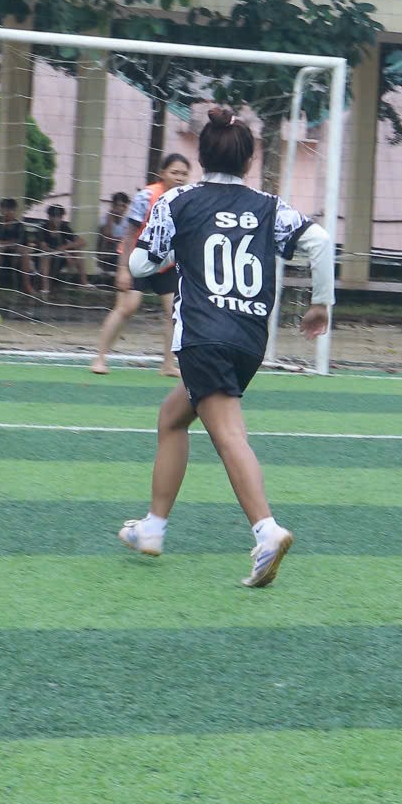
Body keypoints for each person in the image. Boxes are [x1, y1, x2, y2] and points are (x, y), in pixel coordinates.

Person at [116, 109, 331, 588]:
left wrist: (175, 256)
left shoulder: (178, 200)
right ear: (249, 160)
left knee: (229, 435)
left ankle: (267, 530)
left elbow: (140, 265)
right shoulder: (269, 205)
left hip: (203, 335)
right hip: (250, 339)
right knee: (172, 417)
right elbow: (319, 242)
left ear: (201, 156)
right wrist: (320, 305)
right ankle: (153, 527)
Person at [91, 155, 192, 376]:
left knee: (175, 312)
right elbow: (129, 235)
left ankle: (168, 364)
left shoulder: (187, 198)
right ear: (162, 173)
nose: (179, 177)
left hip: (165, 263)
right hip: (138, 259)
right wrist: (123, 269)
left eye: (184, 174)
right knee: (127, 307)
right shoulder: (146, 196)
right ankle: (100, 358)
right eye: (174, 172)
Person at [32, 203, 82, 300]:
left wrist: (65, 247)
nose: (57, 219)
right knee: (46, 256)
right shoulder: (42, 228)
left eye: (59, 217)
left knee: (79, 251)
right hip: (41, 260)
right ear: (49, 217)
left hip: (60, 258)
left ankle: (84, 283)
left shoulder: (64, 228)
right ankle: (45, 289)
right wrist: (64, 252)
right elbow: (44, 247)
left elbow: (81, 242)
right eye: (54, 216)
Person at [0, 199, 29, 302]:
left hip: (13, 256)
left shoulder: (19, 225)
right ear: (1, 210)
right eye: (5, 209)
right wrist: (1, 244)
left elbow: (22, 242)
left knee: (24, 252)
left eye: (10, 209)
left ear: (15, 211)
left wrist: (5, 244)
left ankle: (27, 285)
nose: (8, 212)